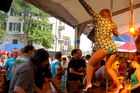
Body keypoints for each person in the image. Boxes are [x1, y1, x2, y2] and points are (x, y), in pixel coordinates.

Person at [78, 0, 121, 92]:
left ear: (101, 14)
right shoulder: (113, 24)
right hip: (113, 48)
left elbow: (89, 9)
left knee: (90, 64)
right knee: (108, 68)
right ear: (109, 15)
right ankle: (119, 85)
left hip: (104, 47)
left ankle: (89, 83)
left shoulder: (99, 19)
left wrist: (81, 1)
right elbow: (117, 34)